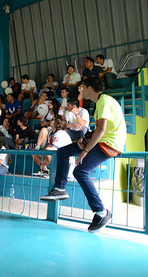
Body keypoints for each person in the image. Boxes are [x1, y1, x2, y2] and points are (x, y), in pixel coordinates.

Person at [40, 78, 126, 233]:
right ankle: (60, 188)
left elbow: (102, 129)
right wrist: (84, 140)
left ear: (90, 88)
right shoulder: (100, 102)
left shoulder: (105, 101)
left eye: (82, 87)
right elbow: (98, 130)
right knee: (63, 151)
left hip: (109, 144)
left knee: (80, 171)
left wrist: (85, 151)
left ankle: (101, 212)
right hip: (102, 141)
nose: (81, 90)